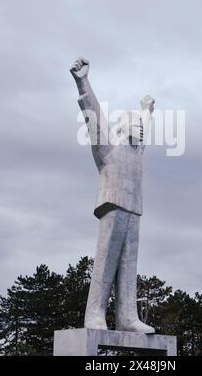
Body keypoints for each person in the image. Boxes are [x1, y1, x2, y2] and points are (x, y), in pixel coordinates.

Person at [70, 57, 155, 333]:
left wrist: (146, 111)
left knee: (129, 267)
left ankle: (128, 317)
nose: (141, 130)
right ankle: (95, 313)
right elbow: (93, 117)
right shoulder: (108, 147)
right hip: (113, 206)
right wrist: (83, 82)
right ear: (123, 128)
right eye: (136, 125)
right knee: (106, 261)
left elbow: (145, 127)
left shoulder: (137, 152)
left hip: (134, 209)